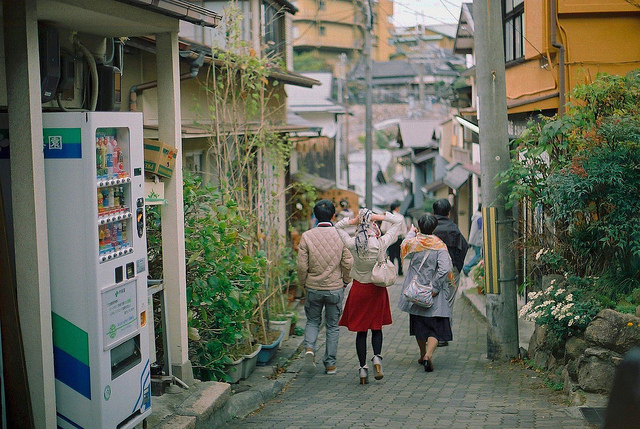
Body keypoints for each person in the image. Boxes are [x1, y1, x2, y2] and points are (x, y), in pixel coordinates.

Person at [335, 208, 403, 384]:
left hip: (359, 289)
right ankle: (377, 358)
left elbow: (338, 226)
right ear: (373, 226)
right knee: (376, 327)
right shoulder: (381, 243)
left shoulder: (352, 244)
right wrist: (379, 217)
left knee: (361, 331)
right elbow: (398, 222)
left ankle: (362, 369)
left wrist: (355, 220)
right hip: (376, 289)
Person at [297, 199, 354, 375]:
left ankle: (309, 349)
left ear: (315, 215)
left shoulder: (307, 236)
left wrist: (304, 283)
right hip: (335, 288)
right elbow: (348, 262)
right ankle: (330, 364)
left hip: (313, 287)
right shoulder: (341, 235)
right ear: (333, 215)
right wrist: (345, 281)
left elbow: (301, 266)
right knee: (332, 326)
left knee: (313, 321)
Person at [398, 213, 453, 373]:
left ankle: (422, 354)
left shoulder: (414, 243)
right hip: (432, 294)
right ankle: (429, 355)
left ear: (419, 227)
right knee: (434, 328)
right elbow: (444, 269)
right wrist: (435, 288)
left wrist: (411, 232)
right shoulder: (440, 246)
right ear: (434, 228)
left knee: (419, 325)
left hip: (415, 291)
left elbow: (403, 243)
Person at [432, 198, 468, 347]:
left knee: (432, 302)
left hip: (431, 271)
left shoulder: (429, 227)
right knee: (448, 302)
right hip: (450, 271)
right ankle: (443, 336)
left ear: (434, 212)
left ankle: (432, 334)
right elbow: (463, 247)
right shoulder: (453, 228)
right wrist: (457, 267)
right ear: (448, 212)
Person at [381, 202, 408, 276]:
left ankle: (392, 272)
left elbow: (382, 228)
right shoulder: (400, 217)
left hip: (390, 239)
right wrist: (404, 236)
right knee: (400, 256)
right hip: (399, 238)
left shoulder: (387, 217)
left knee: (391, 256)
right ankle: (400, 271)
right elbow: (404, 229)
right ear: (396, 208)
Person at [463, 205, 483, 276]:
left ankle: (467, 268)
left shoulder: (476, 217)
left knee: (478, 256)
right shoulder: (480, 218)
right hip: (478, 241)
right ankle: (466, 268)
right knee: (478, 256)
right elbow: (480, 231)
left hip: (474, 240)